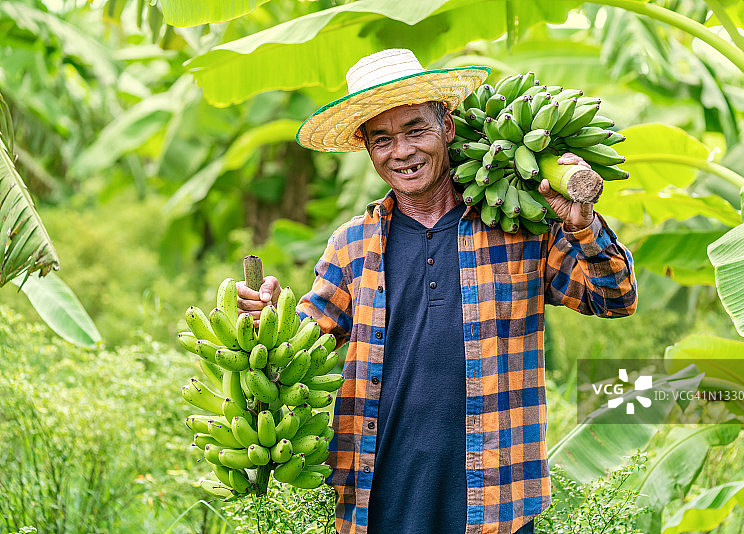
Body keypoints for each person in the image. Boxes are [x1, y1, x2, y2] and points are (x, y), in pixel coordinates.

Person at [237, 49, 637, 534]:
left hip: (495, 496)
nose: (401, 152)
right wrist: (269, 317)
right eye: (382, 139)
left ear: (446, 126)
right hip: (376, 496)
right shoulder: (352, 242)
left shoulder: (520, 228)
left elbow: (615, 298)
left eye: (415, 130)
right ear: (367, 148)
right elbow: (306, 343)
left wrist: (584, 227)